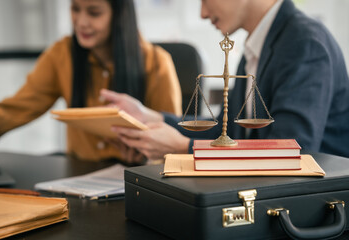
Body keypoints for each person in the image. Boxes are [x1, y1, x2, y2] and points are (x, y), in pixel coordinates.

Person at [100, 0, 349, 160]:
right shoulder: (257, 48)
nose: (202, 13)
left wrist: (183, 148)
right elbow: (228, 130)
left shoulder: (304, 42)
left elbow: (289, 152)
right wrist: (150, 117)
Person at [0, 0, 182, 162]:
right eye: (75, 9)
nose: (81, 22)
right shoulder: (61, 54)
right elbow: (16, 109)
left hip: (136, 184)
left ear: (119, 15)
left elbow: (172, 144)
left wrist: (146, 155)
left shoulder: (157, 63)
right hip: (77, 178)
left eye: (94, 13)